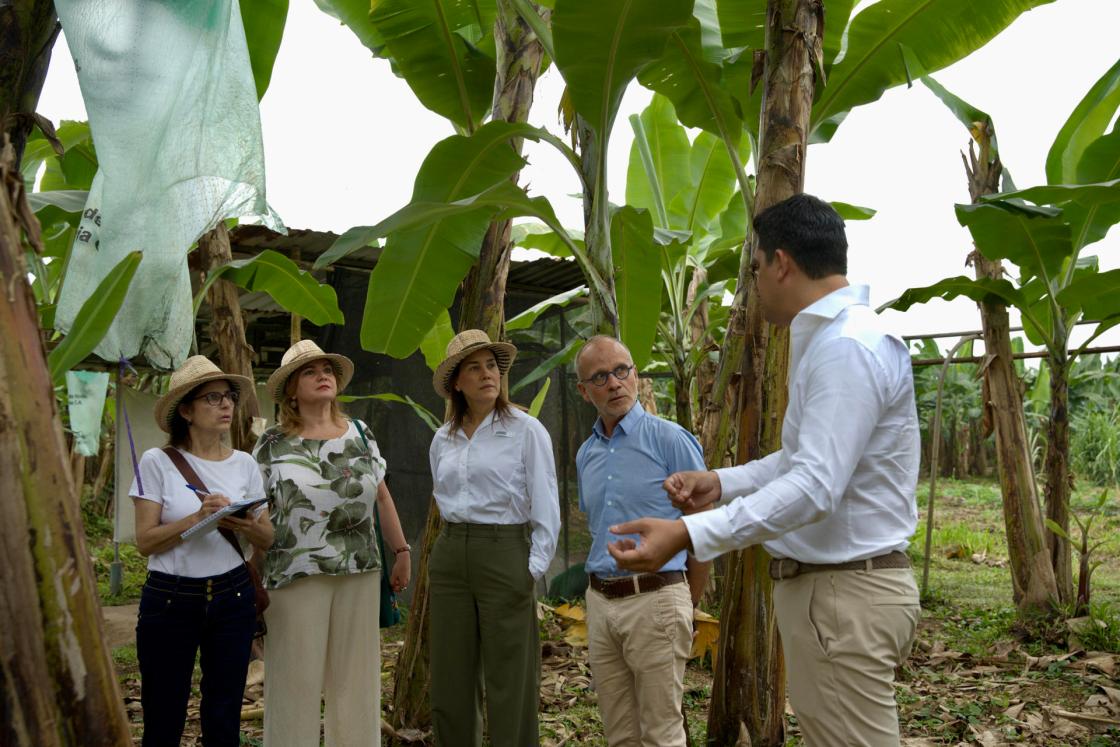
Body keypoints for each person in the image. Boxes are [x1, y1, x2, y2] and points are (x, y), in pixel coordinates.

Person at [608, 193, 922, 746]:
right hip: (836, 594)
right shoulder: (836, 341)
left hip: (844, 595)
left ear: (782, 263)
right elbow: (806, 461)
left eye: (754, 268)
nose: (752, 283)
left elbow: (815, 486)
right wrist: (723, 482)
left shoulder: (846, 348)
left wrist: (689, 532)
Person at [253, 340, 411, 747]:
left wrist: (402, 551)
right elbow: (257, 512)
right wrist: (251, 568)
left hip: (358, 569)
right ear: (291, 389)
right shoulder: (271, 444)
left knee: (357, 684)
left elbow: (381, 495)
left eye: (327, 369)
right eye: (310, 371)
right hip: (293, 576)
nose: (323, 375)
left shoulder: (360, 432)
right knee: (293, 683)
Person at [130, 355, 274, 747]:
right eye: (212, 398)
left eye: (228, 397)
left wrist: (246, 525)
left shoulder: (245, 463)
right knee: (164, 712)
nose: (226, 404)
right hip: (171, 598)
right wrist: (197, 518)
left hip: (233, 595)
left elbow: (269, 538)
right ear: (187, 411)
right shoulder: (157, 461)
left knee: (224, 713)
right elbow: (145, 541)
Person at [428, 329, 561, 746]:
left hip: (505, 551)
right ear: (456, 382)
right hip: (450, 556)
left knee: (510, 673)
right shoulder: (442, 438)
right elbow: (442, 496)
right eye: (475, 367)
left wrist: (533, 567)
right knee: (451, 672)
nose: (488, 374)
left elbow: (547, 503)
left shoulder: (526, 430)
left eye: (492, 366)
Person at [574, 335, 707, 747]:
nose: (614, 383)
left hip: (656, 599)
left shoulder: (670, 439)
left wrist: (687, 599)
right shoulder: (586, 454)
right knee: (620, 734)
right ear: (583, 391)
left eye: (621, 371)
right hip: (600, 602)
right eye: (599, 377)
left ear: (634, 374)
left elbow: (703, 525)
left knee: (662, 732)